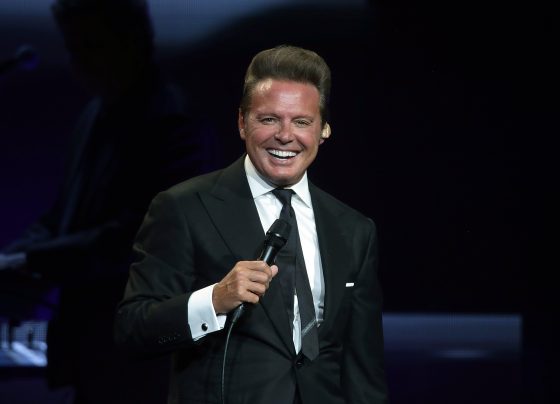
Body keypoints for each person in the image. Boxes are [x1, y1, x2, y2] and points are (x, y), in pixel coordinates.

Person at [115, 45, 389, 404]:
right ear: (242, 122)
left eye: (302, 122)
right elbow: (133, 329)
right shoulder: (183, 207)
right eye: (269, 119)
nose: (285, 135)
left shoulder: (354, 230)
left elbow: (363, 369)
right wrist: (214, 300)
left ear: (323, 130)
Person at [0, 0, 218, 403]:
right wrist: (14, 257)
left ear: (133, 40)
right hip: (98, 348)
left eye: (90, 45)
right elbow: (63, 216)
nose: (77, 61)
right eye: (73, 47)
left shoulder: (172, 122)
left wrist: (28, 261)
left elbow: (139, 237)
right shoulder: (95, 114)